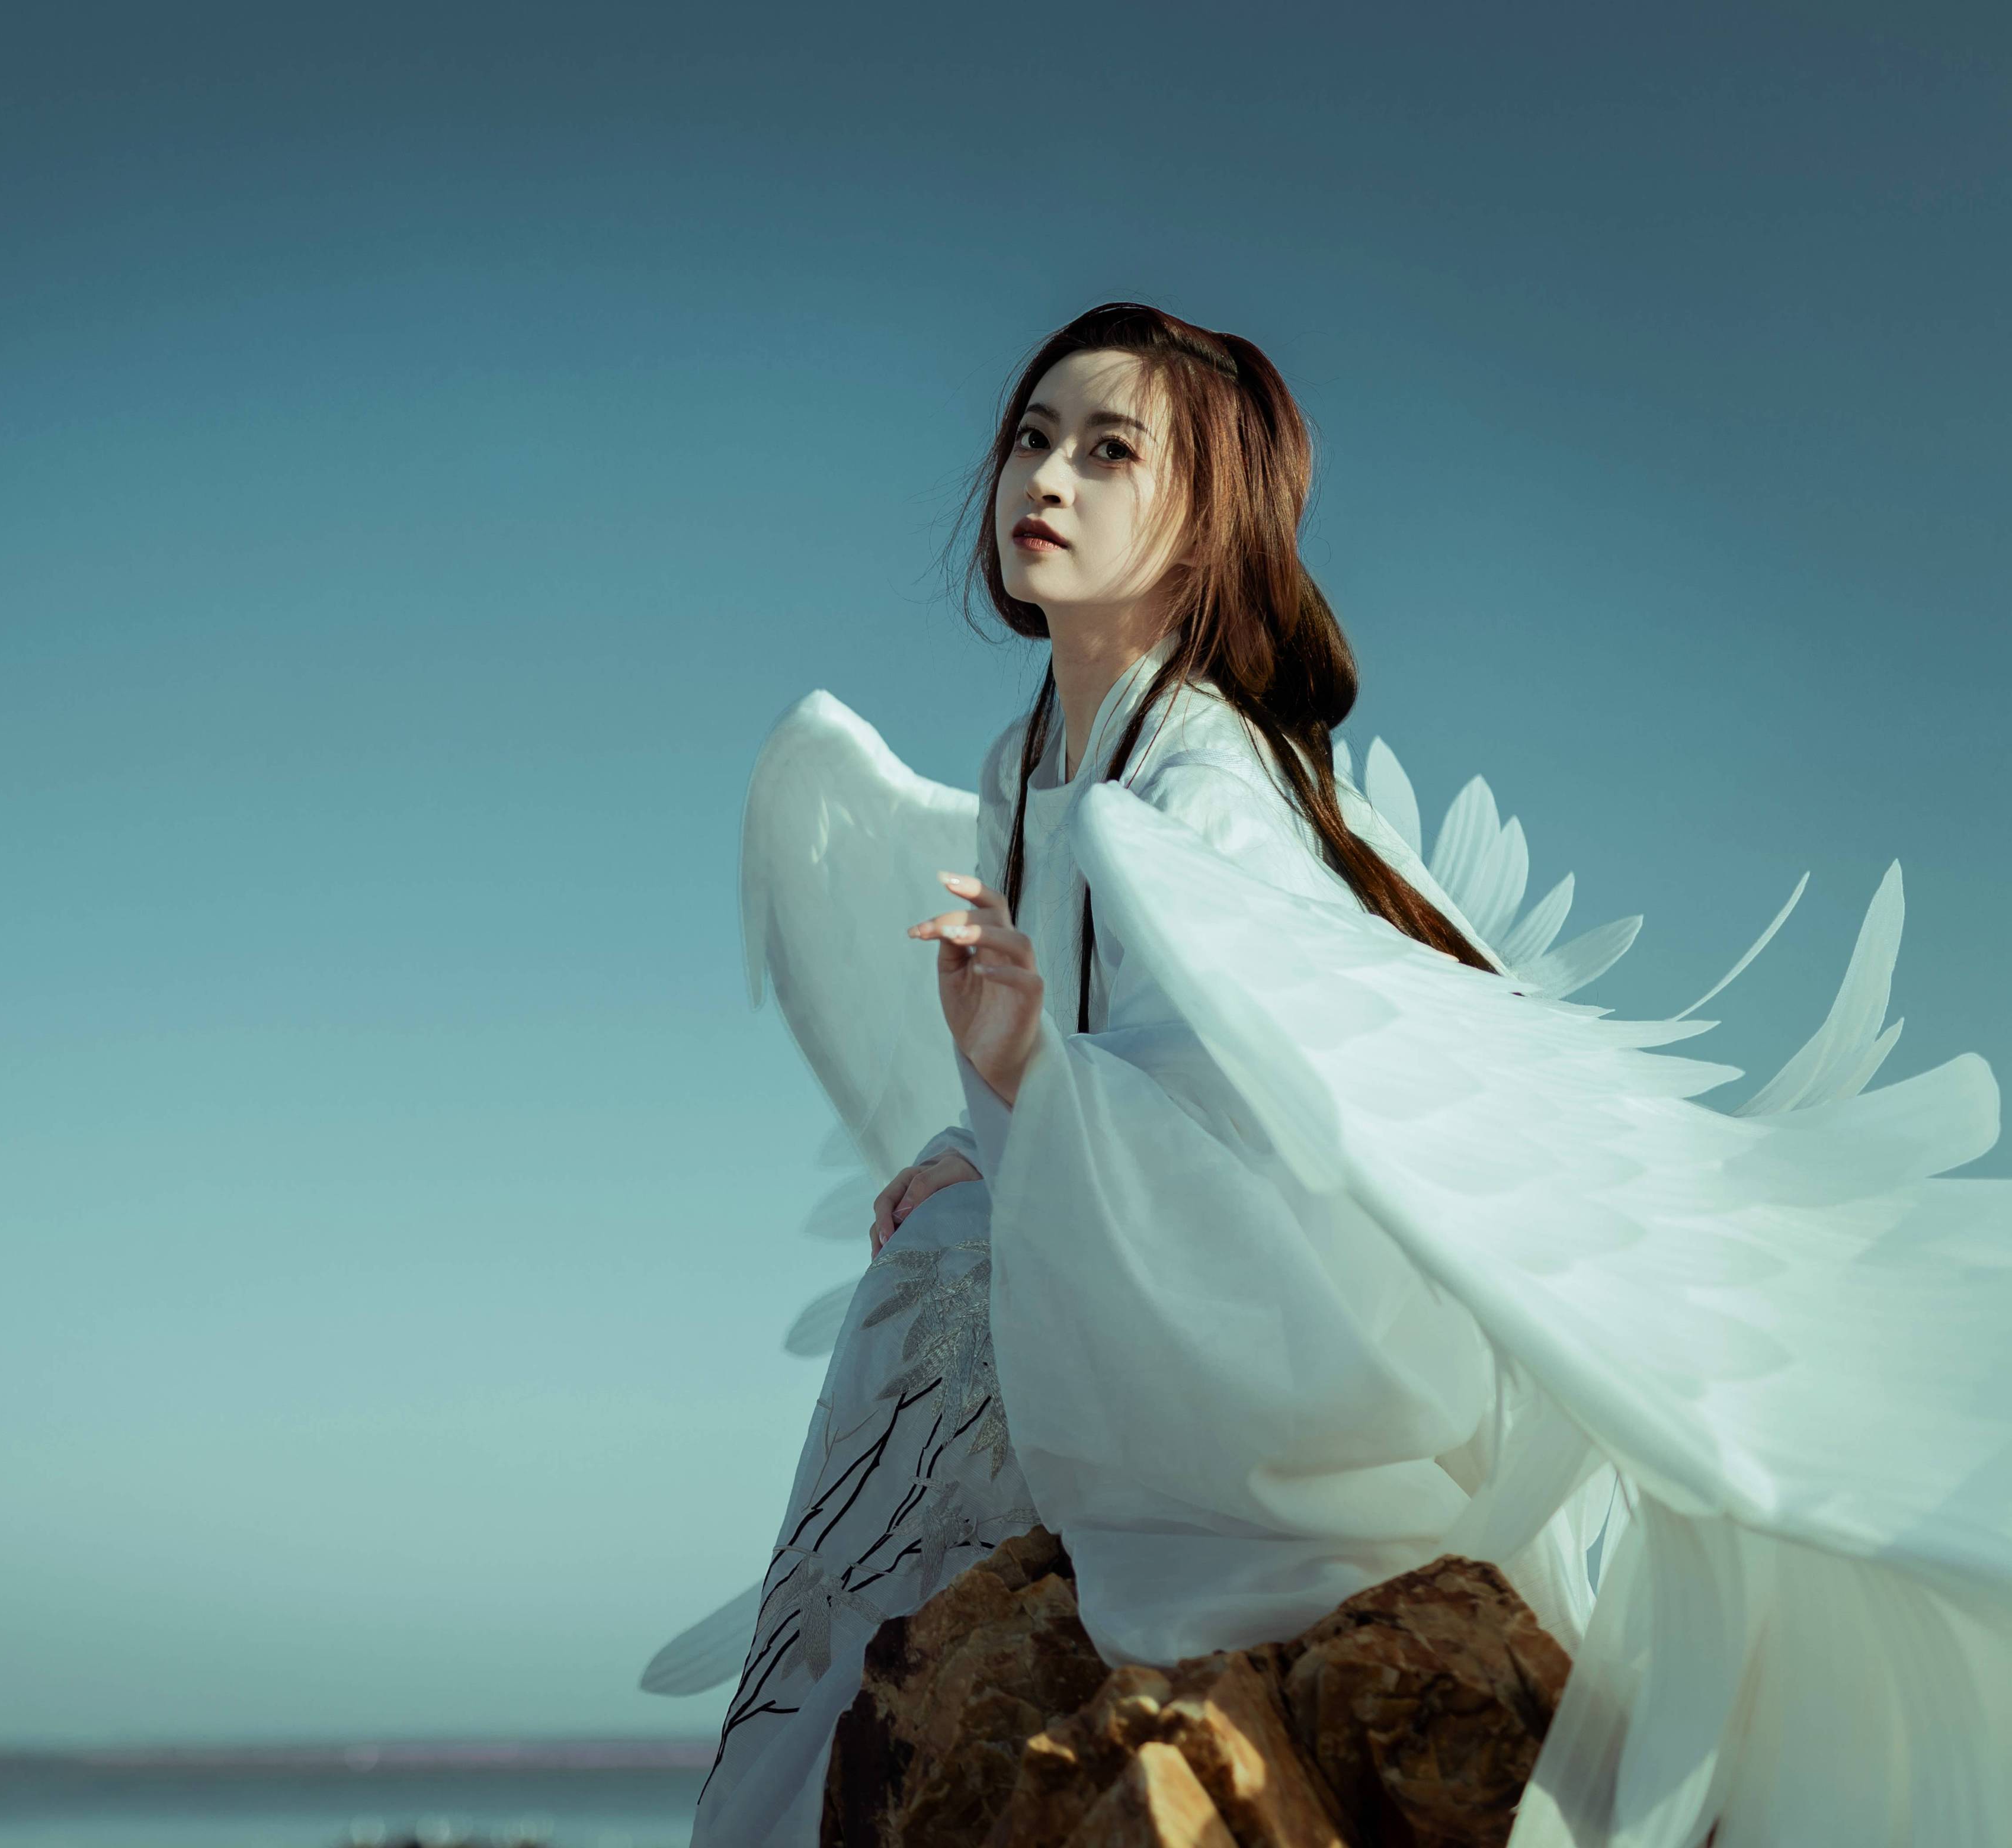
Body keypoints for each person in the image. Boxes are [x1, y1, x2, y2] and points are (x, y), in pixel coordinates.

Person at [655, 303, 2012, 1847]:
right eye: (1033, 436)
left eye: (1111, 451)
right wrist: (989, 1127)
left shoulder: (1209, 791)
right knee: (936, 1251)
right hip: (1124, 1282)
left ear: (1203, 523)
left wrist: (1036, 1081)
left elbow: (1256, 1137)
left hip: (1287, 1346)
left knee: (933, 1292)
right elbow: (1082, 1052)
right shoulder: (1020, 768)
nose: (1049, 476)